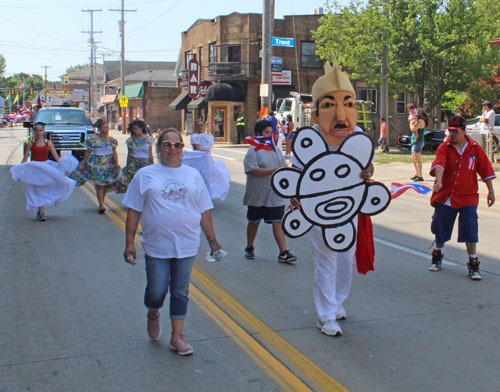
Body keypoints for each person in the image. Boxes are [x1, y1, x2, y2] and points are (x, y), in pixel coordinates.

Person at [290, 55, 375, 337]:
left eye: (348, 104)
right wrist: (296, 199)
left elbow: (366, 167)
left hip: (349, 209)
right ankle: (325, 316)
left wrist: (368, 171)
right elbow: (297, 173)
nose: (341, 114)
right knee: (326, 259)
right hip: (319, 210)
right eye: (329, 105)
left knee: (346, 258)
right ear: (316, 113)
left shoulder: (358, 135)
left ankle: (337, 303)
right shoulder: (309, 140)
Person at [123, 128, 224, 356]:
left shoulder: (192, 175)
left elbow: (204, 211)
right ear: (159, 148)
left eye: (177, 145)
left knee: (180, 291)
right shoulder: (146, 174)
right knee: (157, 291)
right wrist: (129, 242)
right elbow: (134, 210)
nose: (172, 149)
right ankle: (153, 312)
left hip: (187, 245)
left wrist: (213, 241)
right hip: (156, 246)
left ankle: (177, 336)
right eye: (167, 144)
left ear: (183, 149)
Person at [428, 115, 495, 280]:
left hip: (468, 196)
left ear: (464, 131)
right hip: (446, 195)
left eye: (456, 131)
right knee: (440, 228)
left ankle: (473, 264)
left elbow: (485, 170)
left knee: (470, 228)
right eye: (450, 131)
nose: (452, 134)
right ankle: (438, 254)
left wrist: (491, 191)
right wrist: (439, 181)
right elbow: (439, 165)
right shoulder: (445, 147)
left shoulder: (475, 148)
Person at [243, 120, 297, 263]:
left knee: (277, 221)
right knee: (254, 221)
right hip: (258, 195)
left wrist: (291, 194)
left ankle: (283, 252)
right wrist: (272, 171)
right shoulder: (253, 151)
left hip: (275, 194)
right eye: (266, 133)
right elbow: (251, 170)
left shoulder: (275, 149)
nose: (269, 135)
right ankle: (249, 246)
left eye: (271, 132)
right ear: (259, 134)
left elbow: (284, 169)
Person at [12, 123, 78, 221]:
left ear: (43, 131)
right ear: (34, 131)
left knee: (44, 188)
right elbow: (26, 158)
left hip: (46, 168)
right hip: (35, 168)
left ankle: (41, 209)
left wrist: (65, 168)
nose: (38, 132)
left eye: (40, 130)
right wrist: (20, 170)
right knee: (36, 189)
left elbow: (56, 157)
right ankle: (41, 211)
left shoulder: (48, 143)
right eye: (36, 130)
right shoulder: (31, 143)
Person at [77, 118, 121, 213]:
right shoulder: (93, 140)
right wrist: (83, 164)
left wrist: (117, 164)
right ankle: (101, 205)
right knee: (100, 185)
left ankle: (102, 200)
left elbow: (114, 152)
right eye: (105, 128)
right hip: (97, 165)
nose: (107, 130)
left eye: (107, 128)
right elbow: (88, 152)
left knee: (104, 185)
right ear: (100, 129)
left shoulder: (112, 140)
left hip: (109, 164)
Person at [183, 119, 231, 201]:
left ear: (204, 126)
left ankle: (208, 197)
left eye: (201, 125)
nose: (200, 127)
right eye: (198, 125)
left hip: (208, 158)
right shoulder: (195, 136)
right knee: (201, 177)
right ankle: (200, 197)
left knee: (210, 178)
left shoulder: (209, 136)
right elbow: (197, 150)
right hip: (200, 158)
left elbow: (209, 147)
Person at [115, 120, 154, 193]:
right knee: (135, 183)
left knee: (144, 183)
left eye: (136, 128)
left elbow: (150, 154)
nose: (134, 130)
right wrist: (127, 165)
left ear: (141, 128)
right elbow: (129, 154)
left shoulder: (149, 140)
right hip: (134, 163)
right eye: (133, 129)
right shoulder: (131, 141)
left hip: (145, 163)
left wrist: (152, 165)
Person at [409, 108, 428, 182]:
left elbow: (413, 129)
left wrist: (411, 122)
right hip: (415, 141)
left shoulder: (421, 121)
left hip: (418, 141)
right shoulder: (417, 121)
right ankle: (417, 174)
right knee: (414, 158)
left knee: (417, 159)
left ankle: (420, 176)